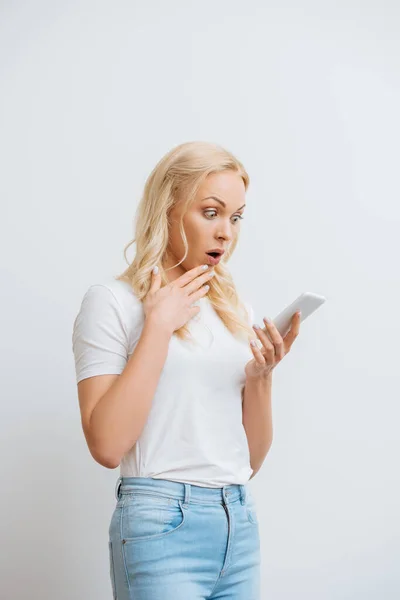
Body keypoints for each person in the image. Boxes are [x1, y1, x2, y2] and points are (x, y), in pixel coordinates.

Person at [71, 140, 300, 599]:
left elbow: (249, 461)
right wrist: (157, 326)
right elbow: (107, 445)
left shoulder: (234, 311)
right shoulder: (113, 302)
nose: (226, 233)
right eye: (211, 212)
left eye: (235, 217)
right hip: (159, 526)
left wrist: (261, 377)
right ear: (168, 208)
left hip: (237, 522)